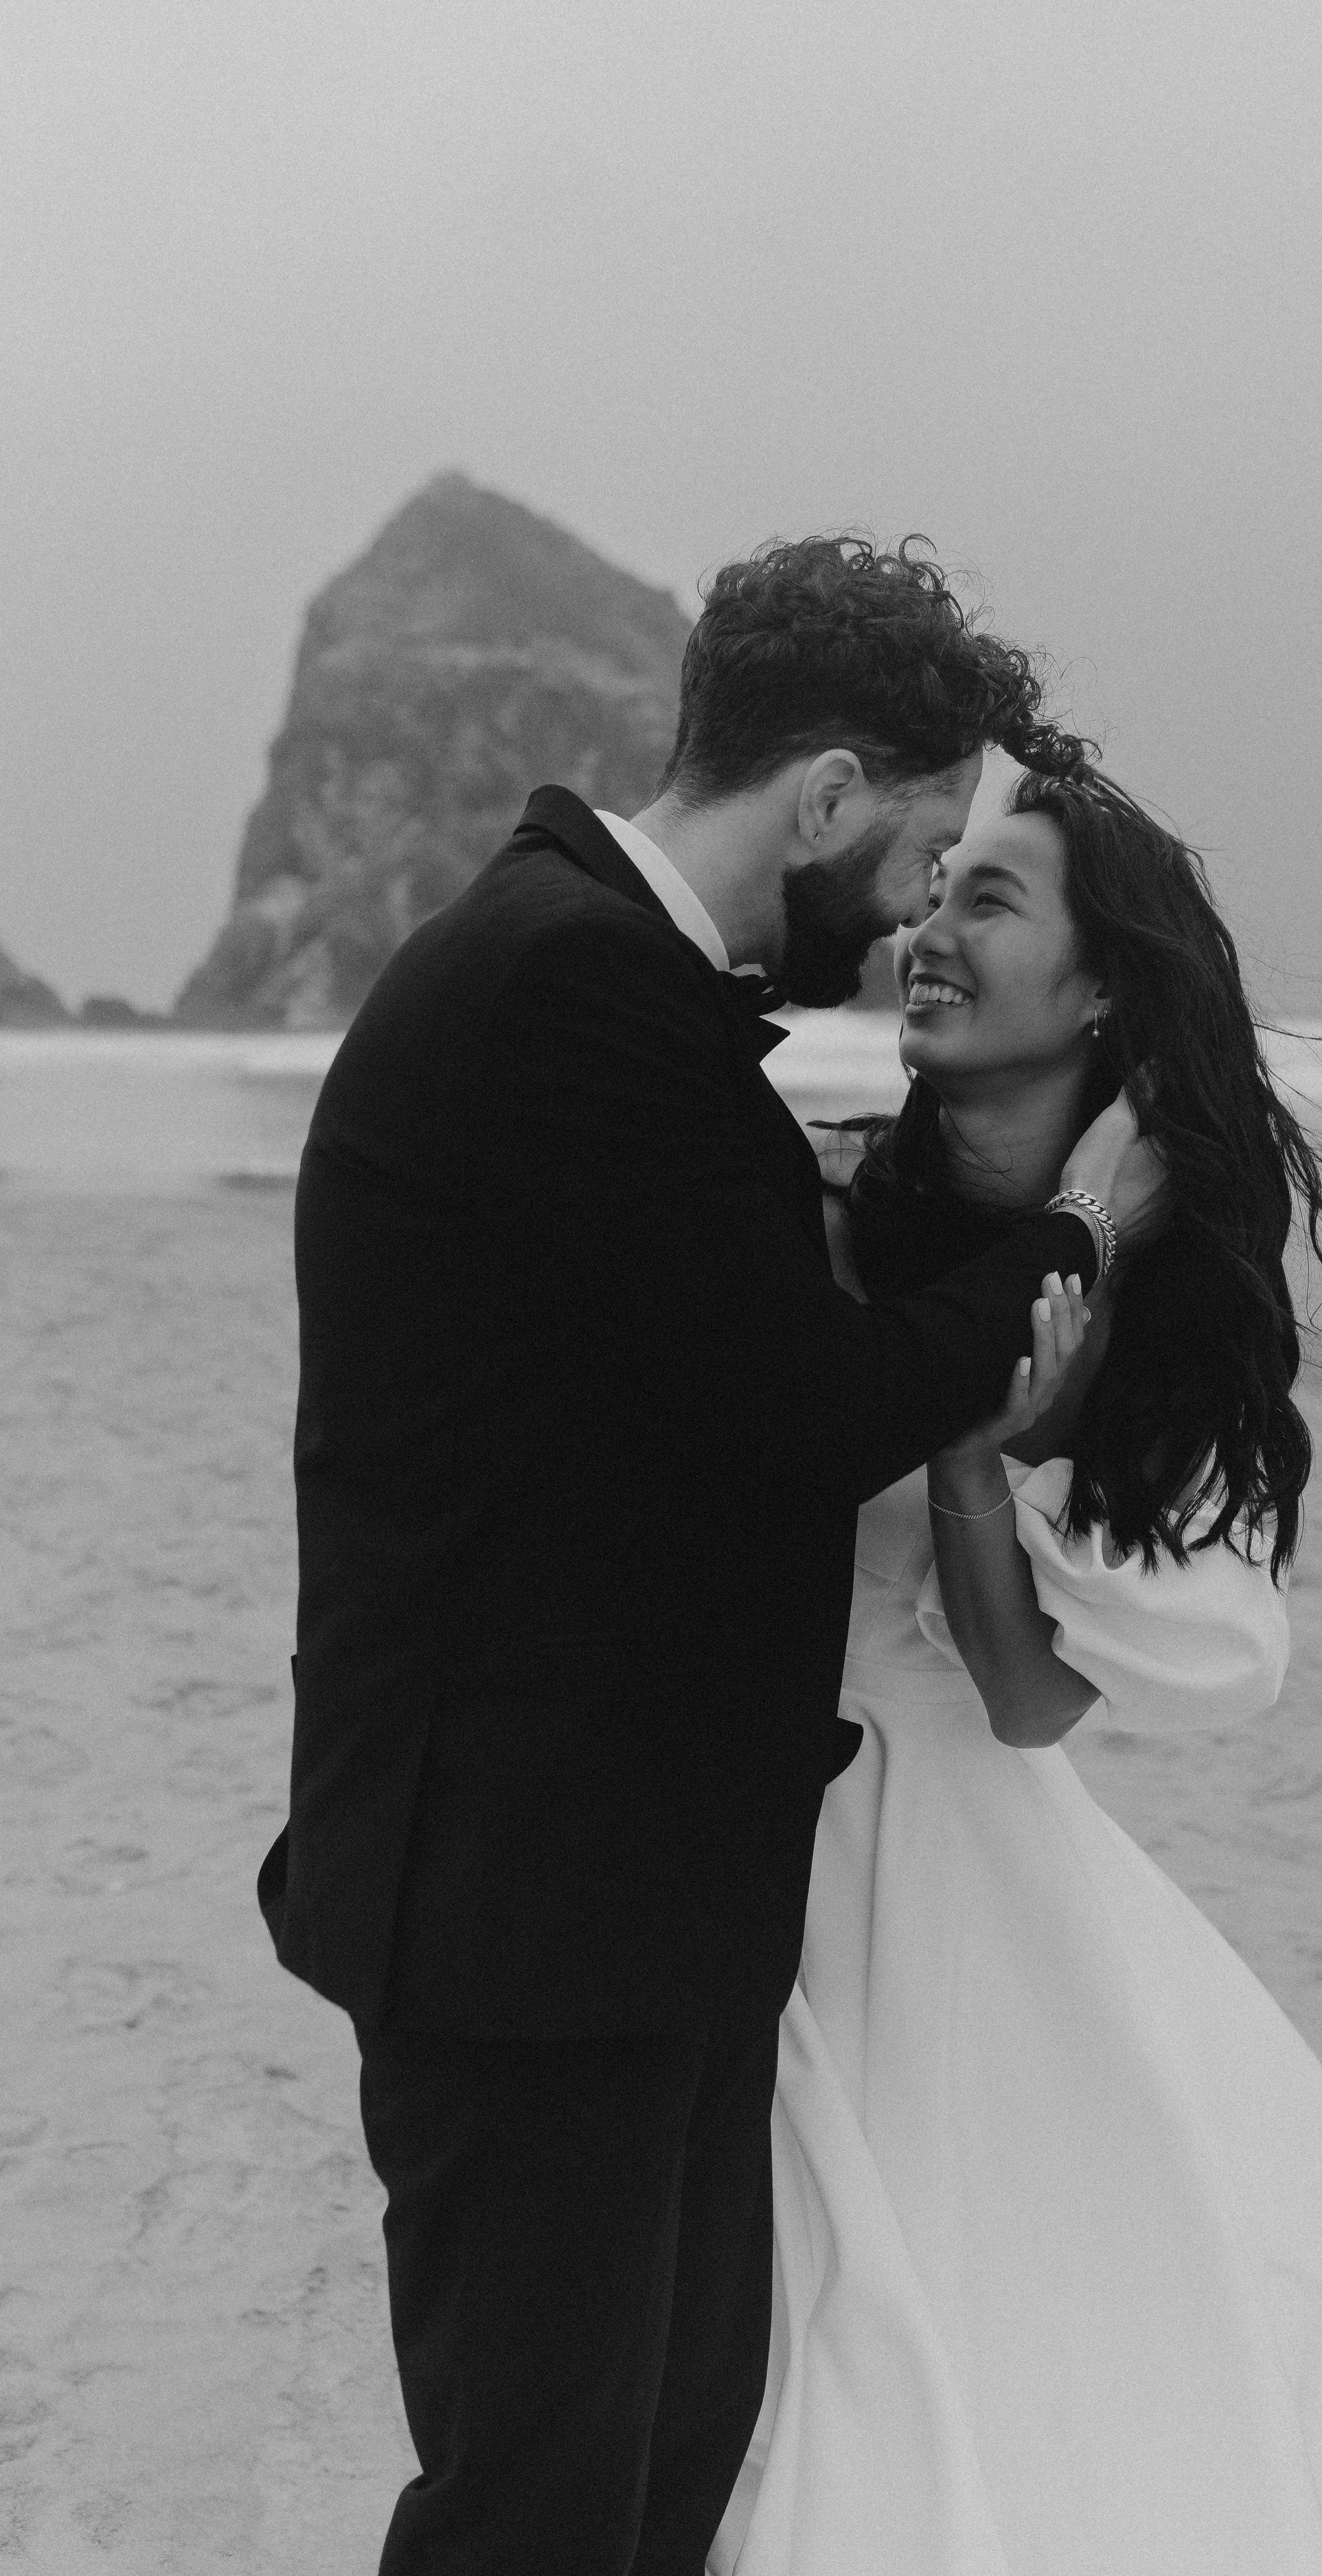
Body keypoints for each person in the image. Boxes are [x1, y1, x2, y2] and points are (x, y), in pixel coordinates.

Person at [255, 536, 1165, 2575]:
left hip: (611, 1900)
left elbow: (700, 1372)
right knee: (543, 2511)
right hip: (528, 1911)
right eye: (922, 847)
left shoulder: (595, 983)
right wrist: (1076, 1227)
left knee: (654, 2480)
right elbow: (810, 1406)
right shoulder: (574, 988)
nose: (920, 899)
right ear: (828, 797)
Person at [710, 767, 1322, 2575]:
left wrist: (982, 1440)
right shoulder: (807, 1192)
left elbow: (1028, 1694)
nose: (926, 929)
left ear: (1099, 996)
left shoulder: (1161, 1321)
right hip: (742, 1798)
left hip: (947, 1842)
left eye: (989, 903)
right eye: (937, 889)